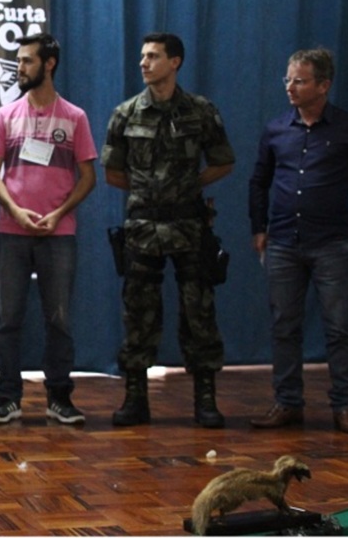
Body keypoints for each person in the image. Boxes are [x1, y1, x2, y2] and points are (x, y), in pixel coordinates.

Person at [248, 48, 348, 435]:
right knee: (284, 326)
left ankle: (345, 406)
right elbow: (259, 180)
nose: (290, 88)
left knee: (339, 328)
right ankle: (287, 402)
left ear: (324, 85)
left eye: (300, 80)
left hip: (331, 242)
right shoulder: (276, 129)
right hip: (281, 240)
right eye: (288, 80)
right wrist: (258, 228)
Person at [101, 32, 234, 429]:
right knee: (138, 312)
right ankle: (135, 398)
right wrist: (150, 192)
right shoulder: (125, 113)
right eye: (142, 55)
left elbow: (223, 161)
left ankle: (206, 399)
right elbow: (112, 172)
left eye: (153, 56)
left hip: (190, 224)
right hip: (142, 224)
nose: (144, 63)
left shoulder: (200, 111)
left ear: (175, 62)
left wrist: (188, 187)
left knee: (199, 312)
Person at [0, 33, 97, 424]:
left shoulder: (74, 117)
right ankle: (8, 397)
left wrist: (59, 212)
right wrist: (14, 209)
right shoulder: (6, 115)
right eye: (19, 61)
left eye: (27, 61)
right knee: (7, 318)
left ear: (49, 64)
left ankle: (60, 399)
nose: (20, 68)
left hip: (58, 233)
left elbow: (87, 177)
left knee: (59, 318)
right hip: (12, 232)